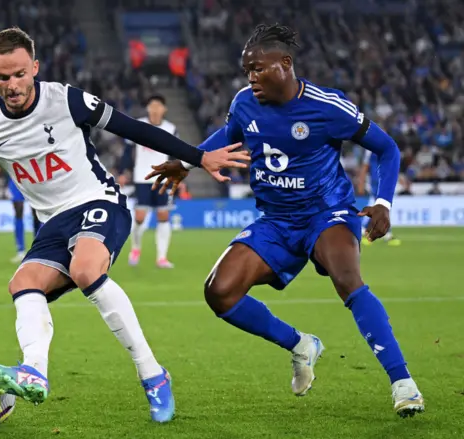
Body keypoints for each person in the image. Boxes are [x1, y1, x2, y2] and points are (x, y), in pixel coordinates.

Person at [0, 27, 248, 422]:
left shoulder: (66, 99)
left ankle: (153, 375)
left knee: (85, 268)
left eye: (20, 74)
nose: (13, 84)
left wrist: (199, 157)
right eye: (3, 77)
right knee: (22, 284)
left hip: (99, 202)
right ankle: (34, 371)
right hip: (53, 224)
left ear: (35, 68)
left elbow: (134, 128)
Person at [146, 24, 423, 418]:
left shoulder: (328, 107)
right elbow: (229, 135)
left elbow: (386, 148)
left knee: (348, 280)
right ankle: (300, 344)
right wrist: (187, 160)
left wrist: (382, 201)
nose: (251, 78)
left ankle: (403, 383)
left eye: (258, 68)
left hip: (326, 212)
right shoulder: (244, 103)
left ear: (286, 64)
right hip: (276, 219)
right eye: (247, 71)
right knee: (219, 291)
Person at [118, 94, 177, 268]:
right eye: (152, 105)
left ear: (164, 109)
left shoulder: (171, 128)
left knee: (163, 215)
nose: (155, 109)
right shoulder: (138, 126)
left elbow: (176, 153)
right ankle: (135, 249)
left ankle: (162, 257)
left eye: (158, 106)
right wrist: (123, 171)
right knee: (140, 217)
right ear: (148, 108)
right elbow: (128, 151)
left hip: (163, 177)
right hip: (142, 177)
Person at [357, 149, 401, 246]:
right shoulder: (370, 148)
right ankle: (385, 234)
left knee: (381, 206)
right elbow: (365, 166)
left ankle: (366, 231)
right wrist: (361, 182)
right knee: (380, 206)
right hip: (375, 182)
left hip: (384, 181)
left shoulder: (386, 145)